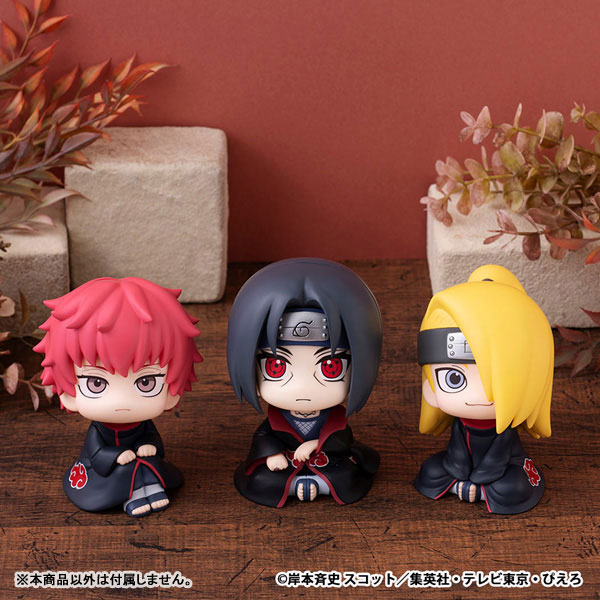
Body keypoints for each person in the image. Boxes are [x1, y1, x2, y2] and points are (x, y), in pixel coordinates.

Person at [34, 277, 202, 517]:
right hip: (105, 474)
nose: (122, 402)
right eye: (96, 383)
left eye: (146, 382)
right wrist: (116, 456)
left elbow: (152, 438)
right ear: (68, 390)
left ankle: (152, 492)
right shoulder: (98, 430)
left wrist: (148, 445)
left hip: (139, 460)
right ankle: (132, 497)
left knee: (149, 463)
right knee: (126, 471)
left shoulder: (144, 423)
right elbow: (95, 453)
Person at [227, 258, 382, 507]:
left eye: (330, 367)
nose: (302, 388)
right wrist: (273, 454)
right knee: (264, 479)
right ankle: (304, 483)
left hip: (327, 459)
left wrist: (315, 444)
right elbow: (264, 436)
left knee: (345, 476)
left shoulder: (333, 419)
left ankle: (313, 483)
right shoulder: (276, 420)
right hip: (287, 461)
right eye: (276, 367)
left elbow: (342, 439)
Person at [414, 265, 553, 514]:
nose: (479, 395)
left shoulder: (503, 429)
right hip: (463, 468)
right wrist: (461, 472)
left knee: (513, 486)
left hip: (504, 467)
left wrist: (477, 480)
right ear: (430, 388)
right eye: (453, 379)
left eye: (499, 380)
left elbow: (501, 454)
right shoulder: (460, 423)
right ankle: (469, 486)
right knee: (432, 470)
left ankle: (476, 489)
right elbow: (456, 452)